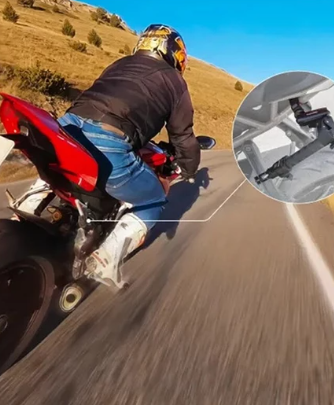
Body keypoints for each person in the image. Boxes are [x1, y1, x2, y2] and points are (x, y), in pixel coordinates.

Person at [17, 24, 200, 288]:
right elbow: (182, 136)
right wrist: (189, 168)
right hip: (110, 139)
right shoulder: (174, 81)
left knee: (57, 162)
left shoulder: (120, 64)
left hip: (67, 127)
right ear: (172, 52)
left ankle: (26, 208)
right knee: (153, 200)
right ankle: (103, 262)